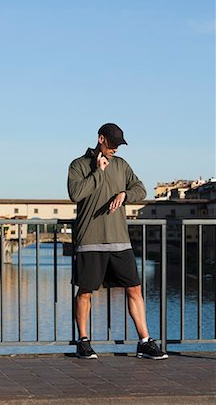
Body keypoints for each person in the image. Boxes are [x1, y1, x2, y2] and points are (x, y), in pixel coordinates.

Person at [67, 123, 168, 360]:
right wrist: (97, 173)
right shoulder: (78, 165)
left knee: (135, 289)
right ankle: (83, 342)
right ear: (100, 138)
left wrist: (125, 195)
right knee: (86, 291)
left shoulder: (122, 165)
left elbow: (140, 188)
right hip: (90, 239)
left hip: (120, 240)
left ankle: (145, 342)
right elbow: (75, 194)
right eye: (112, 144)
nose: (114, 149)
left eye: (118, 145)